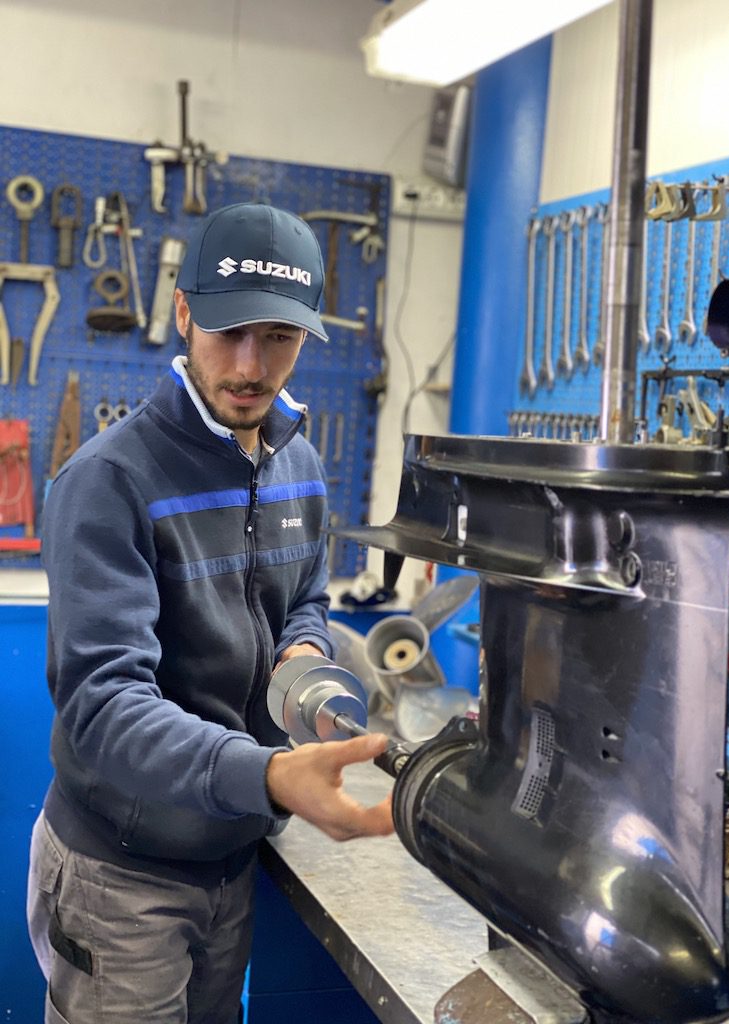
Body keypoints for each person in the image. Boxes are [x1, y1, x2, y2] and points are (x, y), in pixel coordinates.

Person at [27, 202, 394, 1024]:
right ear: (184, 313)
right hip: (123, 877)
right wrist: (267, 775)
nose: (252, 366)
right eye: (229, 332)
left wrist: (303, 655)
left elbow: (306, 600)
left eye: (279, 336)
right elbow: (103, 707)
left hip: (233, 856)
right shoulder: (108, 482)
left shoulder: (300, 464)